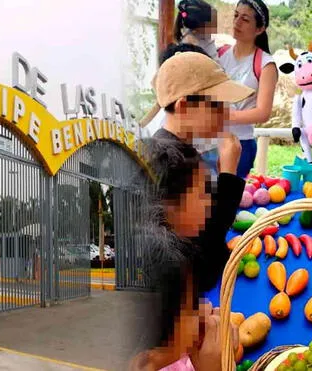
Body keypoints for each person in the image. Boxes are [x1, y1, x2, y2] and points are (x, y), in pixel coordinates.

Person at [130, 51, 252, 370]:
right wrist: (228, 175)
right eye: (216, 104)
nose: (225, 114)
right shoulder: (170, 165)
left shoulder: (173, 153)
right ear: (184, 106)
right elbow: (202, 256)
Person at [204, 0, 277, 178]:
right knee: (204, 200)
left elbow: (262, 113)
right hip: (209, 142)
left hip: (241, 143)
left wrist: (224, 115)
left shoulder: (266, 64)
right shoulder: (219, 54)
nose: (237, 22)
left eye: (245, 19)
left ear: (259, 29)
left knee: (229, 200)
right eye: (236, 15)